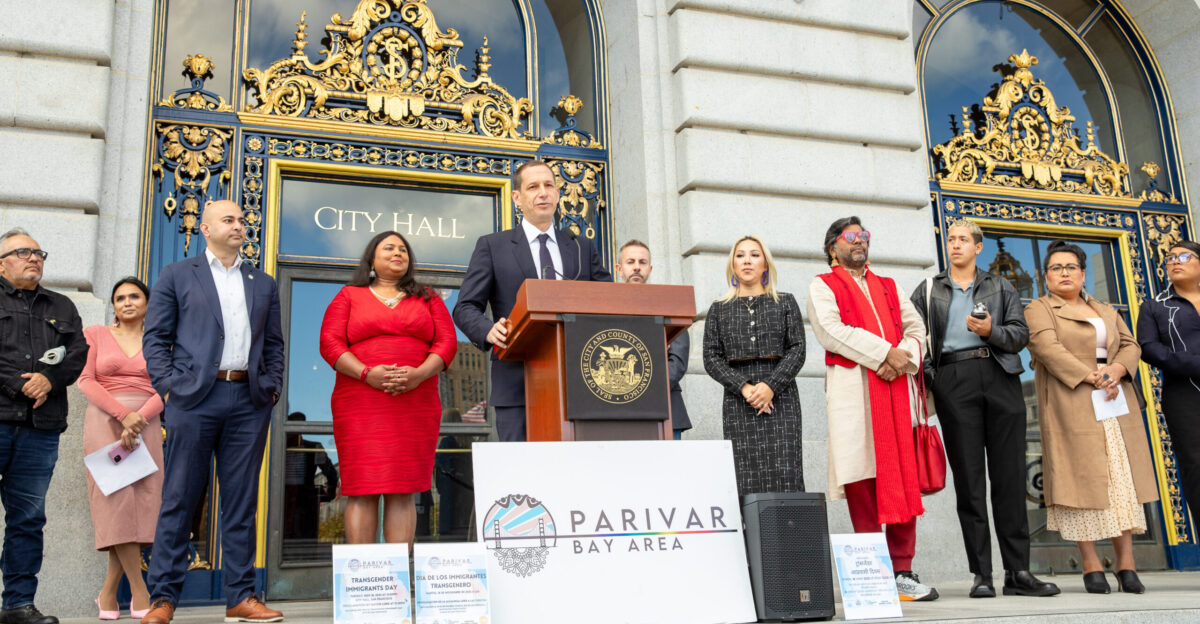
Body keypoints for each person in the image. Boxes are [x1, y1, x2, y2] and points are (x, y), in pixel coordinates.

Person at [140, 200, 286, 624]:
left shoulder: (264, 282)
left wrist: (271, 387)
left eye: (242, 220)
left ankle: (240, 597)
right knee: (179, 499)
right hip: (193, 400)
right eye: (229, 220)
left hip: (248, 401)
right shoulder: (176, 275)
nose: (239, 225)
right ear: (205, 228)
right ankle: (163, 600)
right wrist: (169, 388)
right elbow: (156, 339)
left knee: (241, 503)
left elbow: (274, 344)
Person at [909, 220, 1059, 598]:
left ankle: (1018, 572)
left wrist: (992, 330)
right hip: (953, 379)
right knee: (970, 483)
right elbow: (914, 338)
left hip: (999, 375)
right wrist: (934, 380)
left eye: (963, 240)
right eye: (952, 239)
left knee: (1009, 479)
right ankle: (981, 575)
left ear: (978, 247)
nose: (955, 245)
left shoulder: (1001, 285)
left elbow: (1020, 334)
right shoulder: (929, 288)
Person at [806, 216, 938, 602]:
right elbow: (832, 331)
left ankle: (903, 572)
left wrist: (903, 358)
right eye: (851, 237)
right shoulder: (823, 285)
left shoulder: (889, 286)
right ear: (833, 246)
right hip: (856, 397)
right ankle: (872, 574)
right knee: (863, 480)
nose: (860, 242)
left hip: (899, 395)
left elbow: (918, 332)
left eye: (864, 236)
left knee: (902, 477)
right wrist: (886, 353)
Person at [1025, 240, 1157, 594]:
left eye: (1071, 267)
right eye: (1056, 268)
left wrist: (1114, 370)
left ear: (1083, 274)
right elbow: (1045, 347)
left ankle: (1126, 564)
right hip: (1073, 401)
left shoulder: (1104, 308)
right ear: (1045, 276)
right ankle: (1091, 564)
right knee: (1081, 482)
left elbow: (1131, 345)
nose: (1064, 273)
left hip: (1115, 400)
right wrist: (1093, 377)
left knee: (1120, 481)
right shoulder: (1040, 308)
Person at [452, 160, 611, 441]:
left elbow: (611, 302)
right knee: (523, 476)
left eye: (549, 186)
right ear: (517, 197)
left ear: (558, 194)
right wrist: (488, 330)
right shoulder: (492, 246)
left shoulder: (581, 247)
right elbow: (465, 307)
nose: (543, 193)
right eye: (533, 187)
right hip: (517, 384)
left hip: (580, 384)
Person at [319, 231, 456, 545]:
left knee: (403, 490)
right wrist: (367, 373)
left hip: (415, 403)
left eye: (404, 249)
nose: (399, 253)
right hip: (361, 403)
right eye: (389, 248)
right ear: (371, 259)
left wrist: (421, 373)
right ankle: (364, 582)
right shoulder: (348, 296)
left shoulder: (428, 297)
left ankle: (394, 585)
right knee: (362, 490)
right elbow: (329, 343)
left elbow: (447, 342)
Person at [0, 228, 87, 624]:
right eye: (22, 252)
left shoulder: (63, 305)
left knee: (28, 519)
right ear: (2, 261)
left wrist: (50, 381)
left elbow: (77, 354)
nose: (34, 258)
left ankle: (17, 605)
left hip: (41, 428)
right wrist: (22, 382)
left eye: (38, 253)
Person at [78, 277, 164, 619]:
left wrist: (139, 418)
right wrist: (123, 415)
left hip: (147, 424)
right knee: (116, 504)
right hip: (105, 423)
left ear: (147, 303)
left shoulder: (161, 341)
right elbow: (86, 380)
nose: (126, 302)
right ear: (113, 306)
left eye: (134, 296)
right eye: (119, 298)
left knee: (141, 507)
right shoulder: (96, 334)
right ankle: (141, 592)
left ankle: (108, 593)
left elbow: (170, 385)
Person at [702, 236, 804, 493]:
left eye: (754, 255)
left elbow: (798, 349)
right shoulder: (718, 309)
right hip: (739, 402)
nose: (747, 260)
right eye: (740, 255)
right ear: (732, 265)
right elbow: (711, 357)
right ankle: (751, 533)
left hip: (782, 398)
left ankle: (788, 533)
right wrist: (746, 389)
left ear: (765, 265)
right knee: (744, 473)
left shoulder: (786, 301)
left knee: (786, 469)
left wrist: (770, 386)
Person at [1138, 240, 1200, 541]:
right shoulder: (1154, 307)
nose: (1175, 261)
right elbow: (1149, 349)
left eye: (1184, 256)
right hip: (1184, 395)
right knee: (1196, 467)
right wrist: (1193, 364)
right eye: (1170, 257)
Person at [616, 240, 691, 439]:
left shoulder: (669, 305)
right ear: (619, 268)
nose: (636, 267)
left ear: (650, 269)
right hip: (618, 412)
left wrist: (641, 386)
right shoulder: (608, 309)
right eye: (630, 262)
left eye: (642, 262)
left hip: (665, 407)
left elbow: (677, 363)